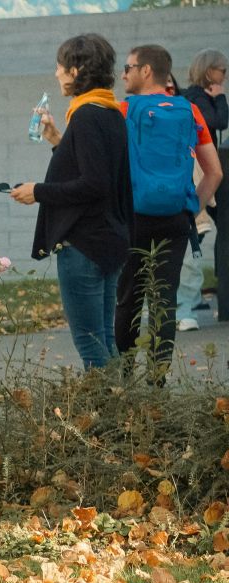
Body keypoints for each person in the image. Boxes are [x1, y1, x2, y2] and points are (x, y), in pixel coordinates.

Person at [14, 34, 131, 370]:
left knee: (90, 343)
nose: (56, 74)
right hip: (107, 240)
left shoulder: (87, 116)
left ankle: (110, 417)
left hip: (84, 245)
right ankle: (126, 416)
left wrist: (37, 191)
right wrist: (56, 141)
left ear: (77, 70)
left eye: (60, 66)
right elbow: (94, 172)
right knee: (105, 340)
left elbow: (94, 184)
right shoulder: (107, 112)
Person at [113, 44, 222, 380]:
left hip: (133, 217)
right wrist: (191, 207)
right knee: (165, 301)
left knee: (128, 298)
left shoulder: (121, 111)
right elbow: (214, 172)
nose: (124, 74)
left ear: (146, 70)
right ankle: (158, 384)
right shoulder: (190, 111)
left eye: (129, 67)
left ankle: (125, 378)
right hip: (176, 218)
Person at [177, 50, 226, 331]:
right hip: (199, 178)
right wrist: (219, 96)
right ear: (209, 72)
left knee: (195, 244)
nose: (224, 76)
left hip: (203, 179)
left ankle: (190, 301)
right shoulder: (194, 99)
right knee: (191, 243)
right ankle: (185, 307)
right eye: (221, 70)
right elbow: (219, 122)